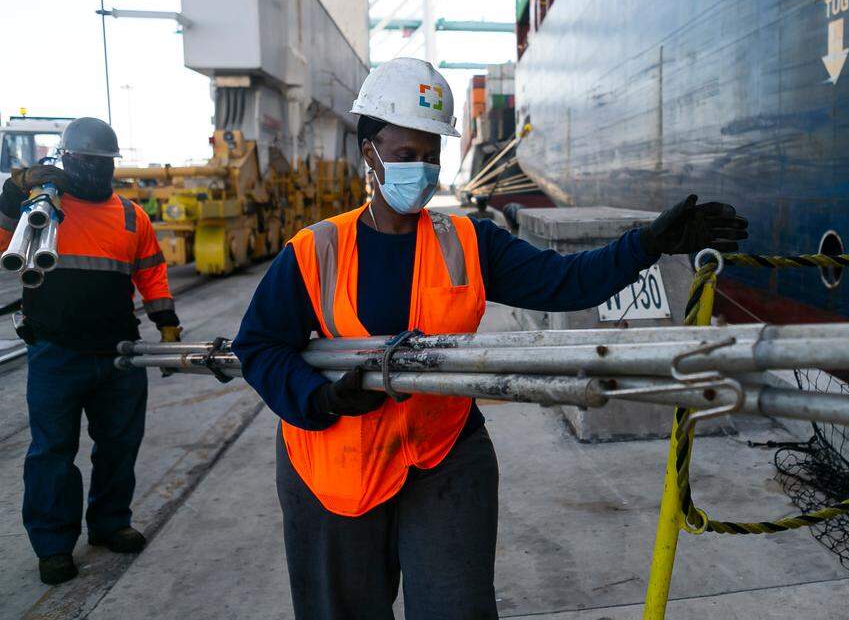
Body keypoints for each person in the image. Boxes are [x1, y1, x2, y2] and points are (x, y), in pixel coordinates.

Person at [232, 58, 748, 620]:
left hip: (443, 452)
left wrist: (647, 243)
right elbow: (260, 347)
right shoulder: (315, 250)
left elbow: (564, 281)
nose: (423, 169)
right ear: (370, 152)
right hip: (335, 463)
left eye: (432, 155)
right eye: (407, 155)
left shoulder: (469, 240)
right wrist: (322, 399)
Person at [0, 117, 182, 585]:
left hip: (119, 353)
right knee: (52, 453)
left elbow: (152, 274)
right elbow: (3, 244)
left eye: (103, 163)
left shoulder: (130, 216)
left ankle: (109, 523)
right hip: (56, 352)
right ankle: (53, 545)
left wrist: (167, 325)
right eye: (86, 161)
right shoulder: (42, 208)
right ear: (67, 161)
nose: (95, 170)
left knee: (119, 446)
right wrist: (10, 197)